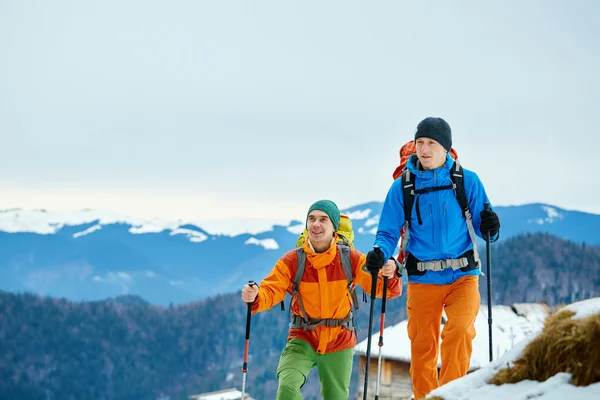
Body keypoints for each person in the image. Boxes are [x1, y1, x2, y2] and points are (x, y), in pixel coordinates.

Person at [365, 117, 501, 399]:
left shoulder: (467, 180)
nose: (424, 149)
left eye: (431, 143)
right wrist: (380, 251)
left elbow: (482, 226)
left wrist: (491, 226)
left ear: (446, 148)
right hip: (422, 278)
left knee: (460, 333)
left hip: (463, 276)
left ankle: (451, 395)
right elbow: (388, 231)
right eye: (420, 143)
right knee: (423, 346)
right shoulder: (402, 186)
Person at [242, 200, 402, 400]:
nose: (316, 224)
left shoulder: (350, 258)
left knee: (335, 397)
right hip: (303, 337)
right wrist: (255, 296)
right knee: (287, 386)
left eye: (323, 219)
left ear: (334, 226)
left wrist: (391, 275)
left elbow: (383, 289)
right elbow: (271, 289)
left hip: (339, 339)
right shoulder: (293, 261)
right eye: (311, 219)